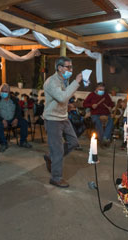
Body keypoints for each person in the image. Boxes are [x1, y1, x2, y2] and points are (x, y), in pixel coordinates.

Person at [42, 56, 82, 188]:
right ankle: (56, 178)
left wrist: (68, 107)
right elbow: (62, 97)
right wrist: (76, 82)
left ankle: (51, 157)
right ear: (59, 68)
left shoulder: (64, 80)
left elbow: (61, 100)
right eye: (68, 67)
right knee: (58, 150)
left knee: (73, 142)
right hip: (53, 119)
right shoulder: (51, 82)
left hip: (63, 117)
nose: (70, 69)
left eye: (71, 67)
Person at [0, 83, 32, 152]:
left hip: (12, 119)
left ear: (9, 92)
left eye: (5, 92)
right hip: (2, 120)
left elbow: (19, 111)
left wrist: (16, 119)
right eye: (2, 91)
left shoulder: (14, 99)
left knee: (24, 122)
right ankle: (3, 143)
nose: (4, 93)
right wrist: (2, 119)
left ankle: (23, 141)